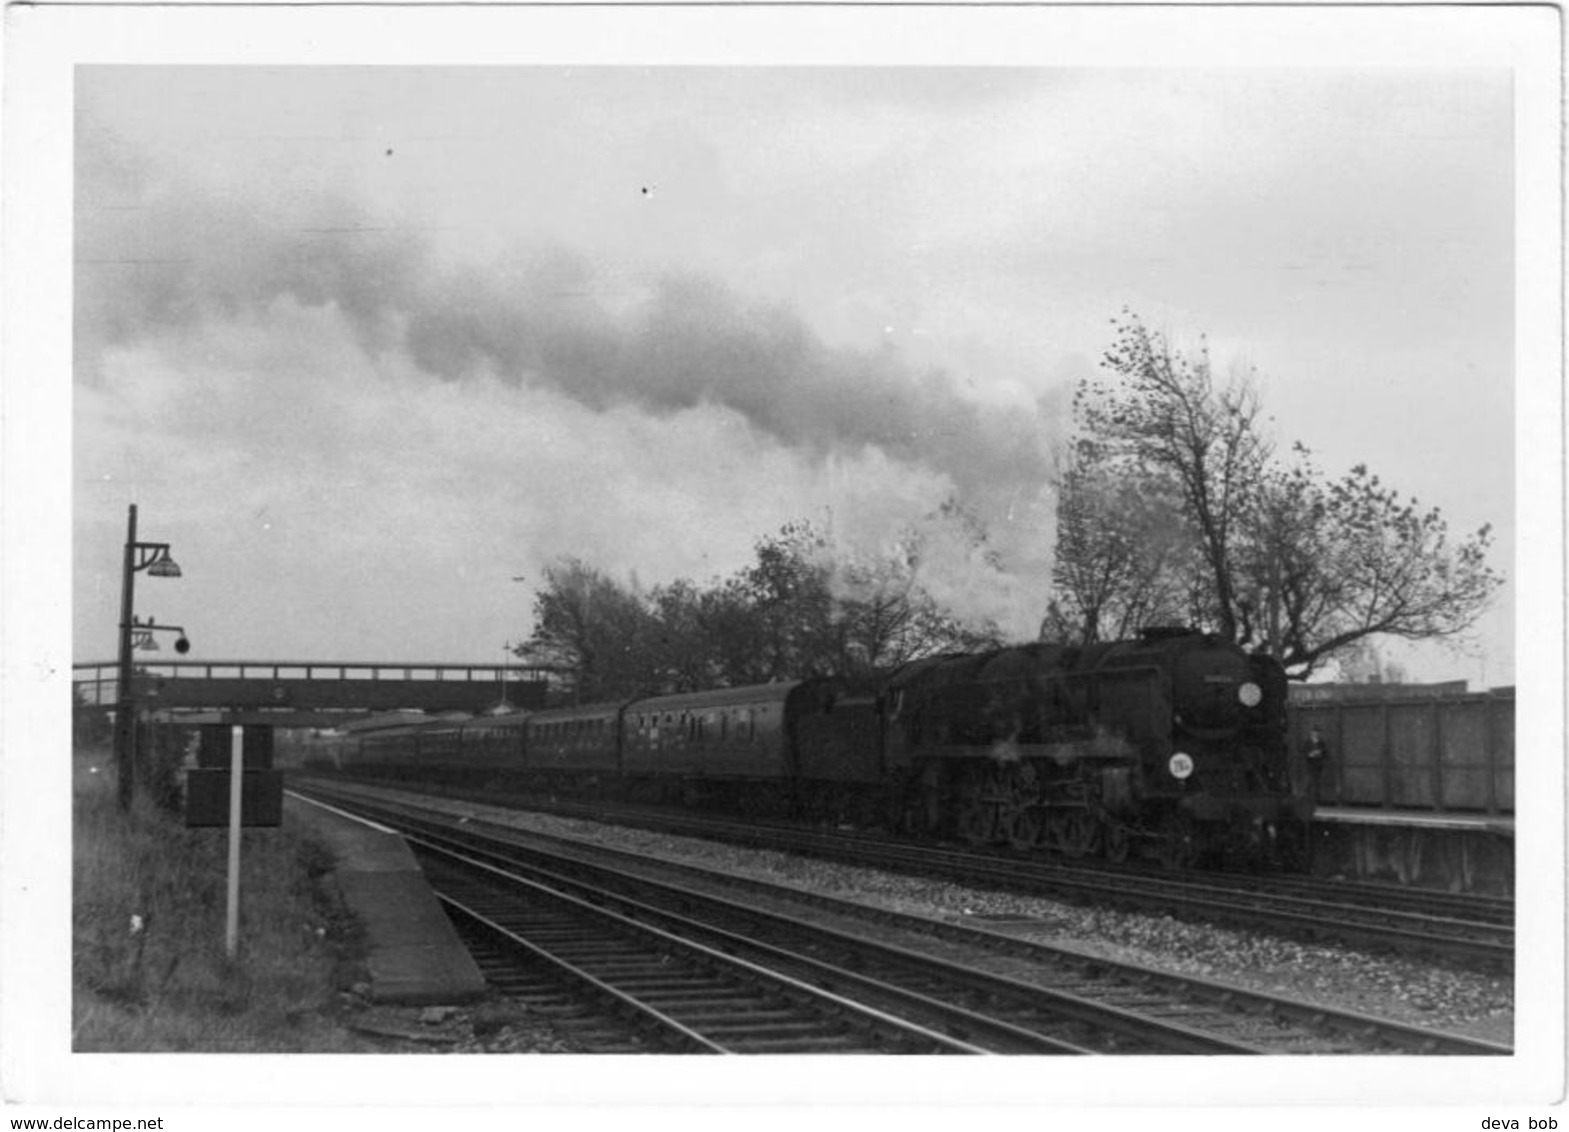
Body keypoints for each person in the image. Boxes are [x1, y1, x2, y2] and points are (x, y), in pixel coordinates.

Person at [1303, 727, 1330, 801]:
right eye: (1315, 732)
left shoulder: (1321, 742)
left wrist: (1320, 752)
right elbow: (1304, 752)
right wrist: (1310, 754)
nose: (1316, 733)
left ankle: (1317, 798)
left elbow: (1325, 752)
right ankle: (1306, 797)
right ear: (1311, 733)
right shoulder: (1307, 742)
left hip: (1319, 764)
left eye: (1318, 732)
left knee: (1318, 781)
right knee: (1309, 780)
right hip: (1310, 763)